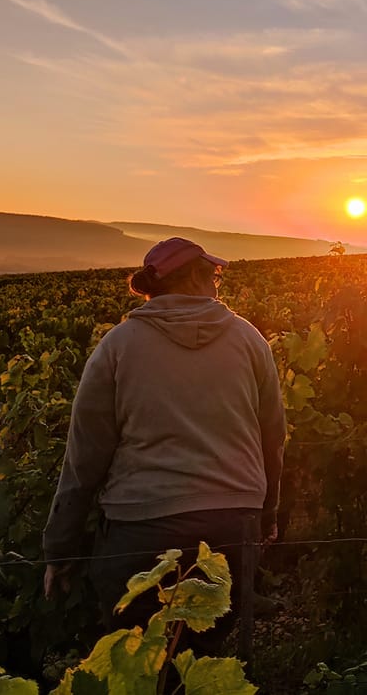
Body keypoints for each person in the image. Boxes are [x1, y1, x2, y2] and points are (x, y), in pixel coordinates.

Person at [42, 237, 286, 645]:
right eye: (214, 275)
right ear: (193, 277)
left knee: (140, 663)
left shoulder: (116, 347)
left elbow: (84, 459)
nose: (217, 284)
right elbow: (273, 438)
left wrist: (60, 550)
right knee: (204, 660)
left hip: (139, 532)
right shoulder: (249, 340)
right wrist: (267, 513)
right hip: (231, 526)